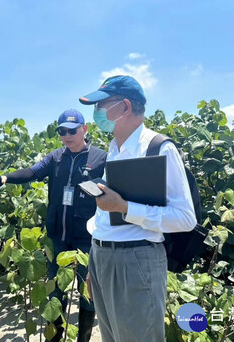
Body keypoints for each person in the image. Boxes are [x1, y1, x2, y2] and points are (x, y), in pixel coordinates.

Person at [78, 75, 196, 342]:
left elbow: (185, 218)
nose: (97, 113)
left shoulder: (158, 148)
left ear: (125, 107)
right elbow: (104, 214)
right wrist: (94, 265)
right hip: (103, 258)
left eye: (102, 105)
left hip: (135, 260)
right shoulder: (115, 149)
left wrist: (125, 207)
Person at [0, 109, 107, 342]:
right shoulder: (56, 158)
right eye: (62, 131)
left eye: (72, 131)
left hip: (87, 240)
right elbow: (31, 172)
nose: (67, 135)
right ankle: (56, 338)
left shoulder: (100, 158)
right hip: (58, 238)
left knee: (88, 295)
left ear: (84, 129)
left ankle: (83, 337)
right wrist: (5, 178)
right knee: (56, 293)